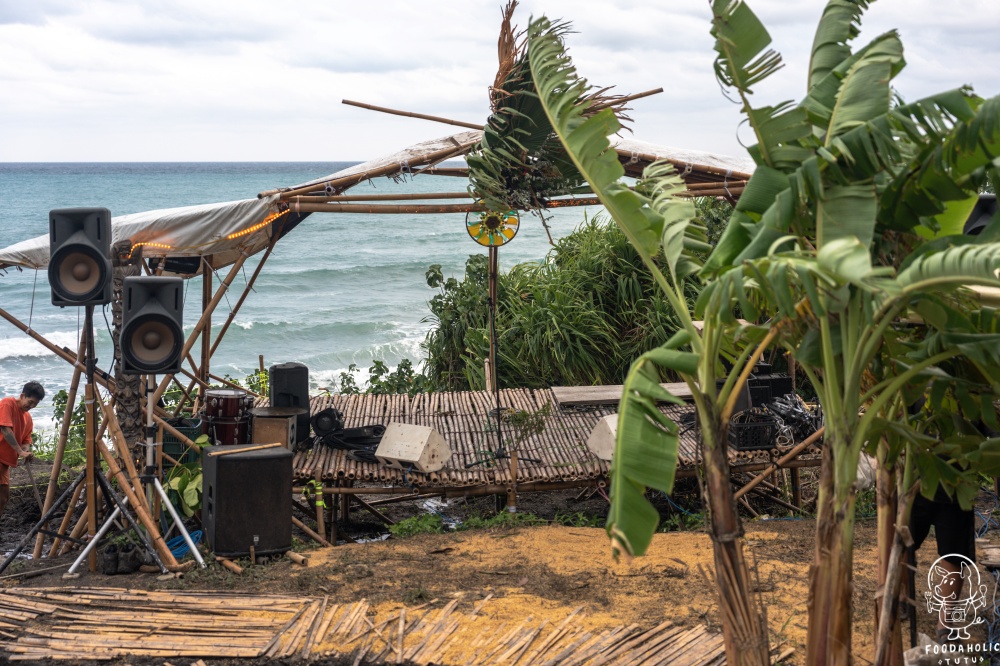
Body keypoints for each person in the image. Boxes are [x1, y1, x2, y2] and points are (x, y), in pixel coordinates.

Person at [0, 381, 45, 518]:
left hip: (4, 463)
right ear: (22, 395)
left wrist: (27, 452)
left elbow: (26, 440)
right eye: (30, 402)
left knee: (3, 497)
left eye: (35, 404)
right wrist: (20, 452)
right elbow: (5, 428)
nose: (31, 406)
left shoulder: (28, 418)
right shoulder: (8, 403)